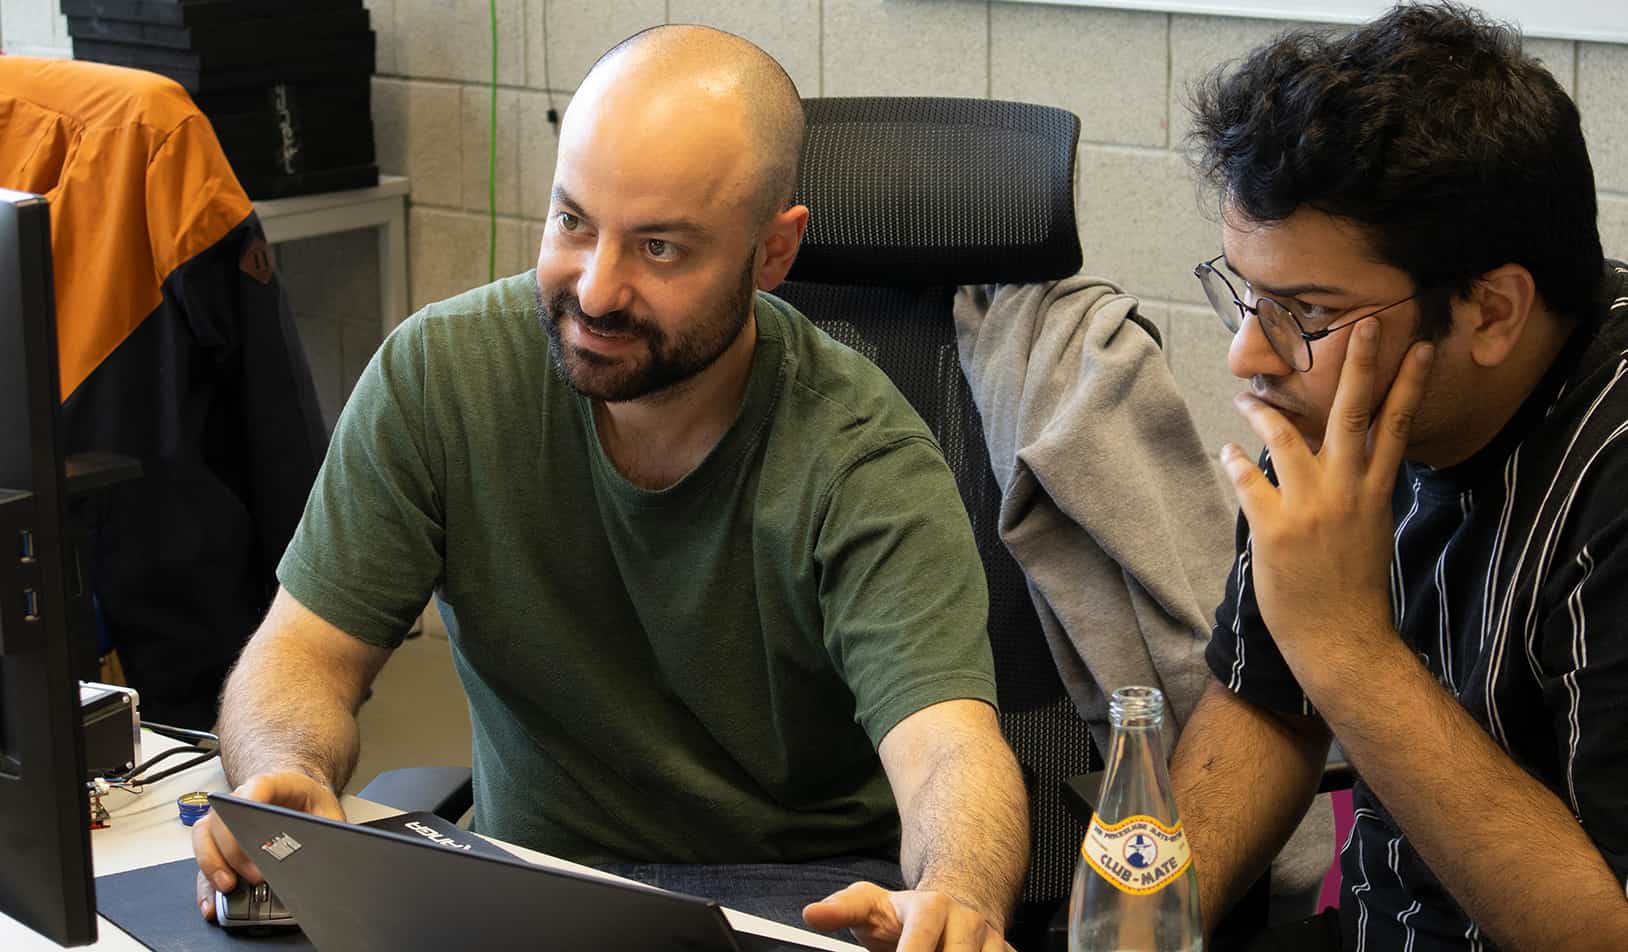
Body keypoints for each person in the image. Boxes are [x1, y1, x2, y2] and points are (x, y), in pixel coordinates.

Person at [188, 25, 1028, 952]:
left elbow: (948, 747)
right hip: (531, 887)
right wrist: (286, 773)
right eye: (573, 222)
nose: (595, 291)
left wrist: (958, 892)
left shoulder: (861, 456)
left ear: (773, 253)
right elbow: (303, 652)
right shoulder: (440, 375)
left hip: (790, 903)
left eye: (660, 249)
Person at [1166, 4, 1628, 950]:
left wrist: (1346, 647)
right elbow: (1266, 704)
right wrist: (1134, 931)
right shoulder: (1339, 406)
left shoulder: (1612, 477)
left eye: (1306, 310)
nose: (1249, 355)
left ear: (1491, 311)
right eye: (1249, 296)